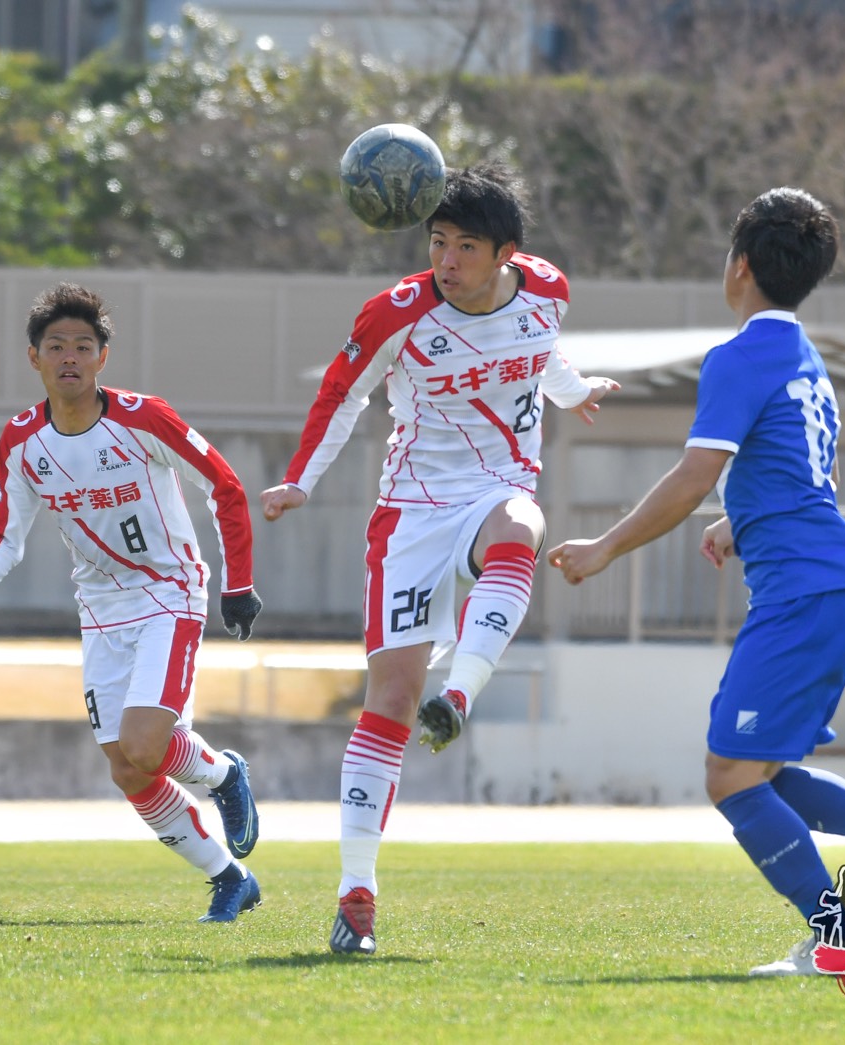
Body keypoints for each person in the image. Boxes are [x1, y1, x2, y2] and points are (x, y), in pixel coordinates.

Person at [545, 186, 845, 977]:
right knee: (761, 768)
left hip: (804, 590)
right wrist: (744, 520)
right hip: (830, 582)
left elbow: (696, 472)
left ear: (738, 266)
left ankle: (843, 935)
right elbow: (814, 470)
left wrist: (604, 546)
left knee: (728, 773)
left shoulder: (738, 356)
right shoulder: (807, 357)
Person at [259, 161, 619, 955]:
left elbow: (544, 347)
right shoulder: (397, 312)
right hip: (411, 515)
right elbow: (343, 393)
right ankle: (357, 894)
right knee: (388, 699)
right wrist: (298, 480)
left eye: (464, 246)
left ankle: (457, 695)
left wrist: (571, 389)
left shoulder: (547, 288)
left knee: (521, 525)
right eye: (437, 241)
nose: (446, 260)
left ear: (507, 255)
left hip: (494, 488)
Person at [0, 282, 265, 923]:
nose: (70, 357)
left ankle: (225, 775)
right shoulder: (20, 441)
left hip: (169, 591)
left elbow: (226, 488)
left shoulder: (145, 418)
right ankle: (230, 879)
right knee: (126, 768)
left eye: (83, 346)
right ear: (32, 357)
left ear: (103, 357)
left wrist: (237, 584)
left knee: (146, 744)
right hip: (100, 609)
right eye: (56, 346)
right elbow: (5, 533)